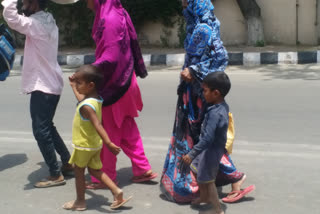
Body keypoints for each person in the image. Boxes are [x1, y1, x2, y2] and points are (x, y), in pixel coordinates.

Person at [83, 0, 157, 189]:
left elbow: (111, 57)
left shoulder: (108, 19)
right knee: (126, 127)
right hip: (125, 80)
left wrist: (86, 71)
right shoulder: (117, 13)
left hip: (114, 85)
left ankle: (104, 177)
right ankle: (142, 169)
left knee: (107, 132)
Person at [160, 0, 228, 202]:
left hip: (200, 93)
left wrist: (195, 71)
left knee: (198, 136)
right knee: (194, 136)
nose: (181, 3)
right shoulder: (195, 24)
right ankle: (194, 182)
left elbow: (221, 58)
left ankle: (194, 184)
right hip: (192, 92)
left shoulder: (204, 27)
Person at [2, 0, 73, 188]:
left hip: (43, 86)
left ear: (33, 2)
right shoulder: (48, 19)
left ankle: (55, 174)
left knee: (40, 131)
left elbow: (11, 17)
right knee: (47, 126)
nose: (21, 3)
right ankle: (67, 161)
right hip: (52, 84)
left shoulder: (36, 24)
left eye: (24, 0)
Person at [63, 65, 132, 211]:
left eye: (79, 83)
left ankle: (80, 202)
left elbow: (98, 125)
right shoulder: (95, 100)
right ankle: (116, 191)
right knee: (95, 171)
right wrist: (73, 86)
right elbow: (81, 98)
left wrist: (109, 143)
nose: (77, 85)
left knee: (79, 172)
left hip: (83, 145)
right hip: (94, 145)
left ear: (90, 85)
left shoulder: (86, 106)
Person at [182, 71, 231, 214]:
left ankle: (217, 209)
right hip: (208, 149)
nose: (203, 94)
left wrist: (191, 154)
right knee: (197, 170)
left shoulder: (215, 113)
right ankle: (204, 197)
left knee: (209, 181)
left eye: (205, 91)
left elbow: (208, 139)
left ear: (215, 93)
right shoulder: (221, 105)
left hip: (210, 151)